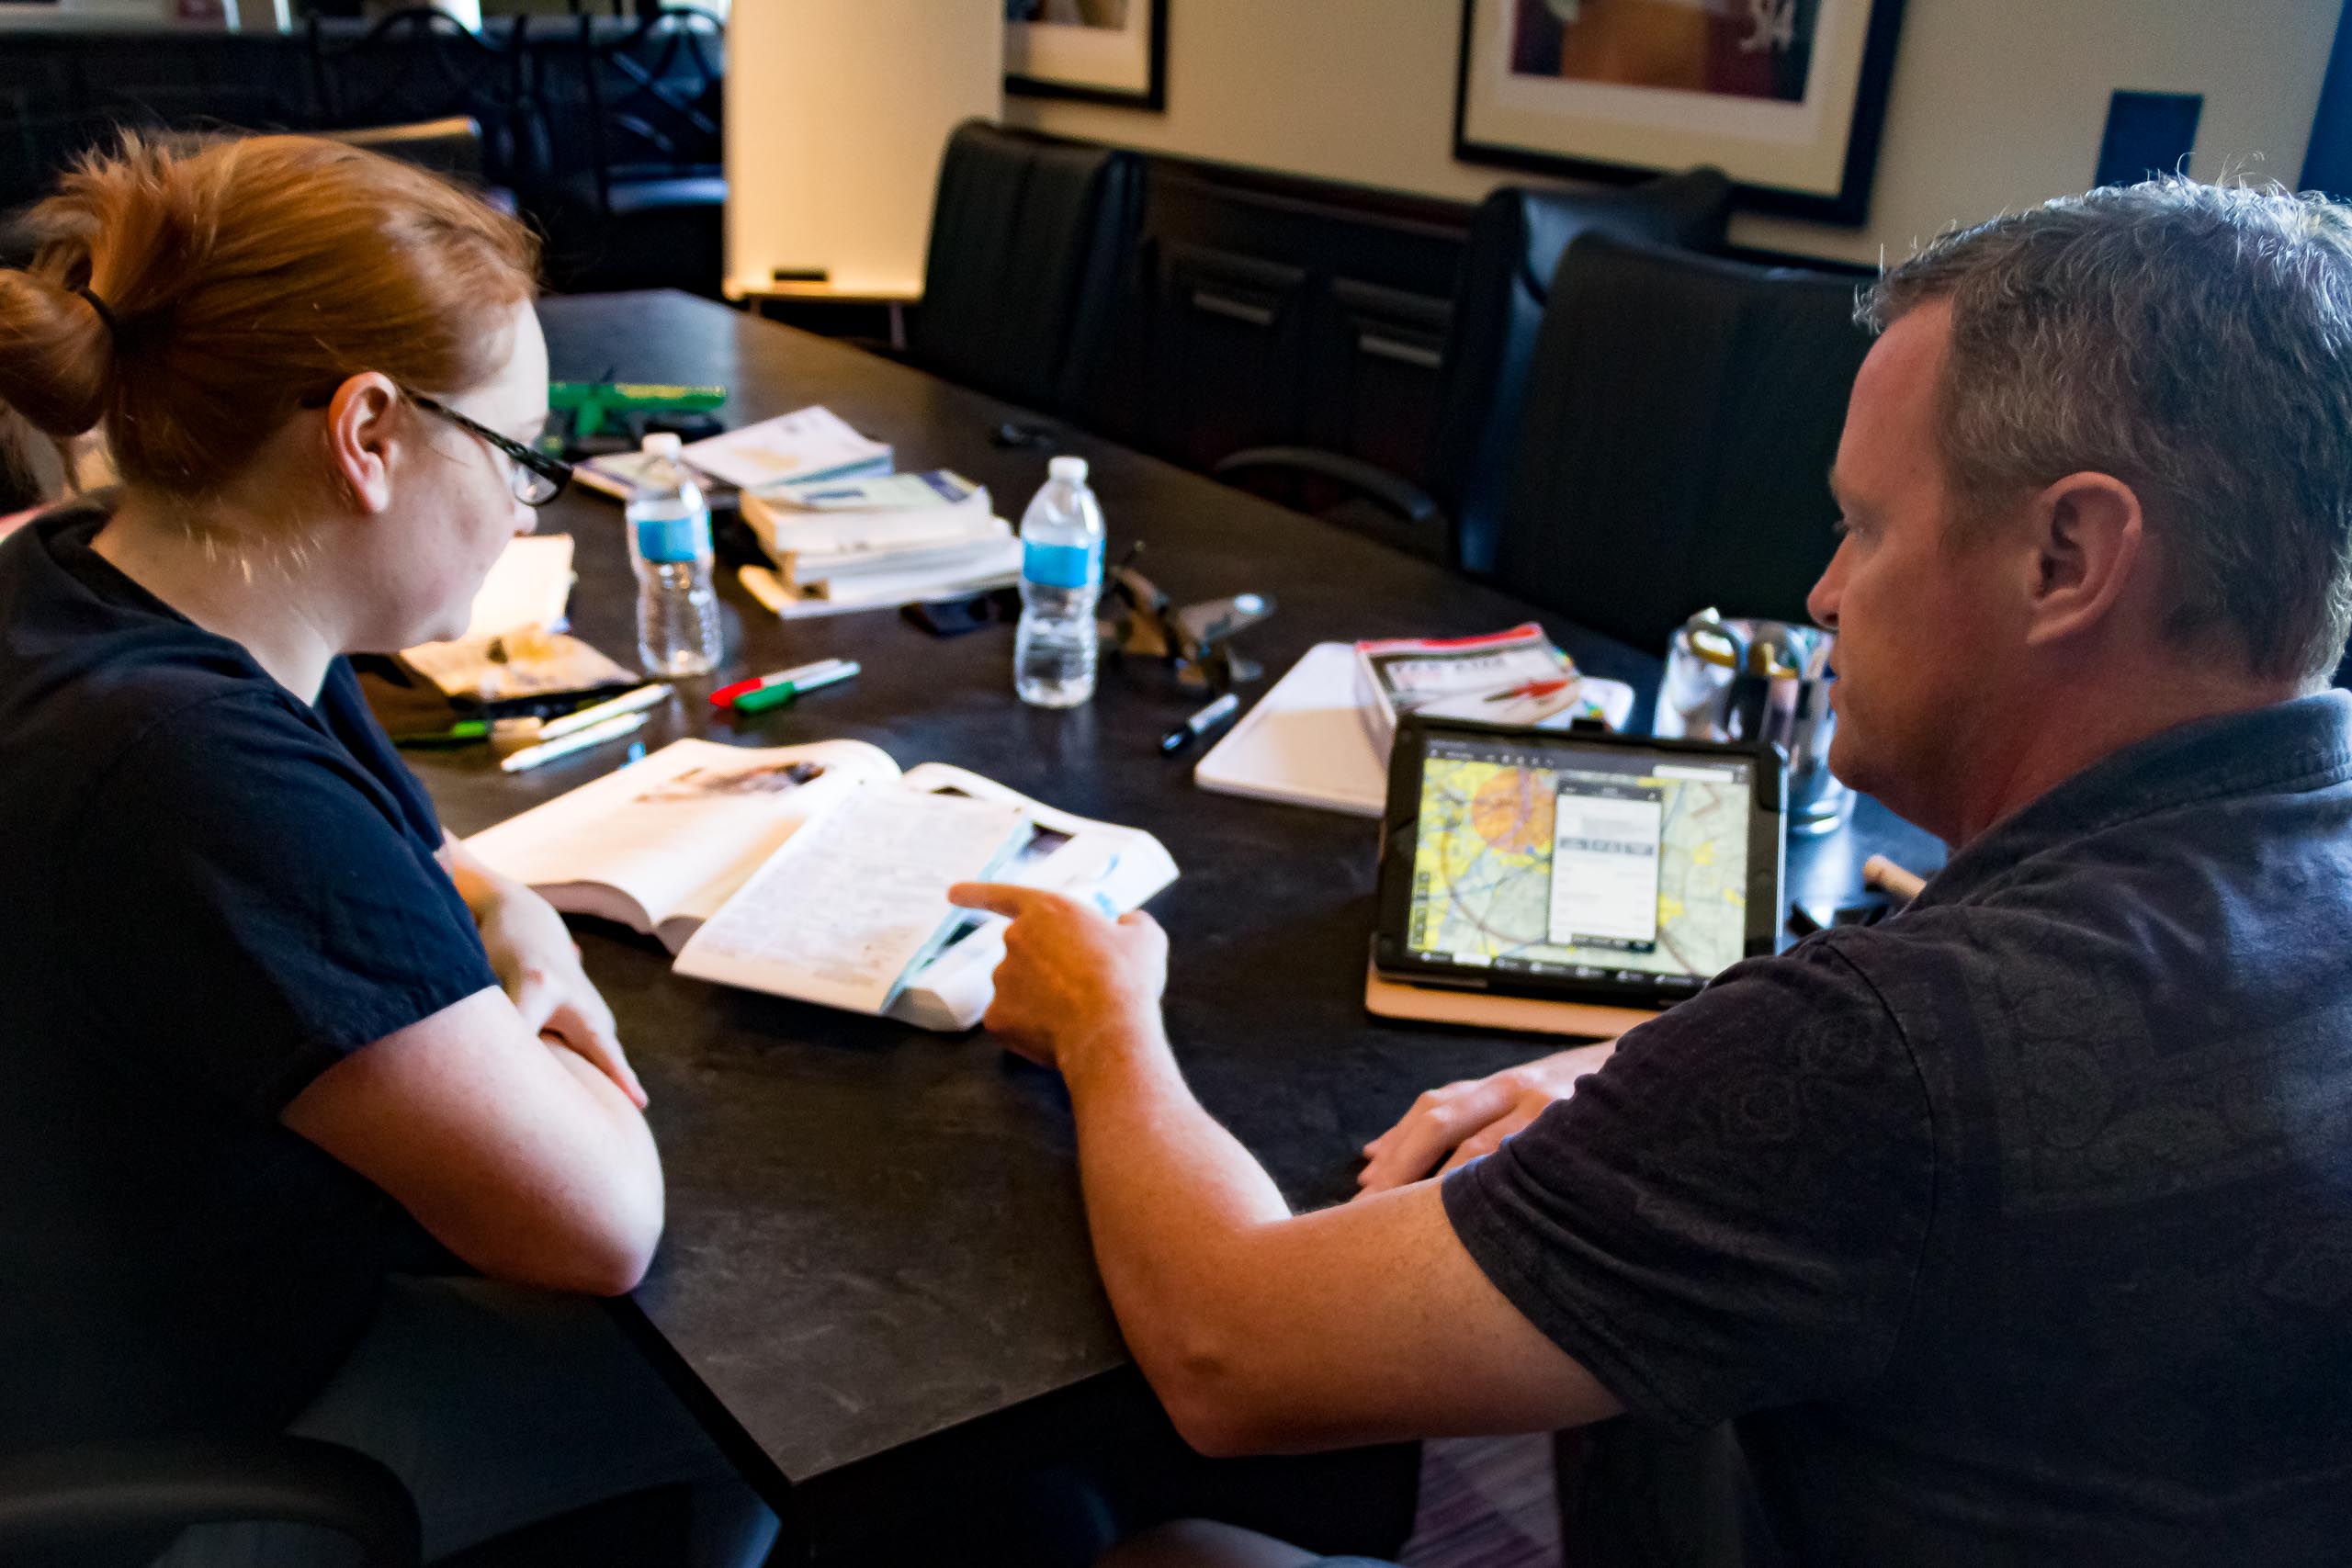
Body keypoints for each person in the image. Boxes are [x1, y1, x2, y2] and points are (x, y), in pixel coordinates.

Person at [951, 175, 2352, 1567]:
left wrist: (1103, 1018)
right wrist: (1669, 1076)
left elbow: (1230, 1352)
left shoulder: (1886, 1056)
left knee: (1175, 1558)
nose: (1823, 593)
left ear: (2069, 555)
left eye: (1865, 525)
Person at [0, 134, 775, 1566]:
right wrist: (537, 1026)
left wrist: (516, 922)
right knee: (774, 1392)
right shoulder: (190, 767)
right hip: (193, 1451)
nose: (526, 504)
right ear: (367, 436)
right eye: (521, 456)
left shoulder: (114, 568)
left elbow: (430, 865)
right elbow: (600, 1219)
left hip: (122, 1326)